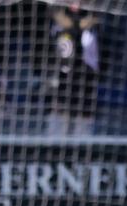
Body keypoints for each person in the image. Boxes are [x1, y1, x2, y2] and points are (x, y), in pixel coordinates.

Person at [46, 3, 99, 136]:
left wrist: (83, 24)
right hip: (61, 82)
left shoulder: (94, 18)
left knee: (83, 127)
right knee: (58, 123)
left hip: (85, 83)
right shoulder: (56, 19)